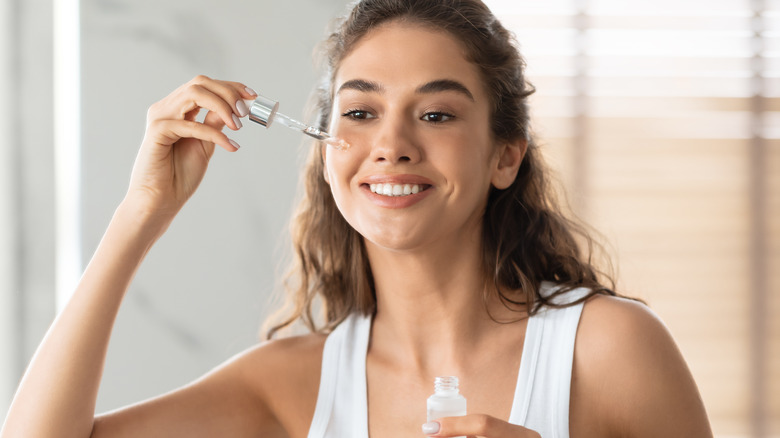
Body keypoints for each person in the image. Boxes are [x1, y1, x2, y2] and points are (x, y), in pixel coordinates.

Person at [1, 0, 713, 437]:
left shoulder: (609, 351)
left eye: (435, 114)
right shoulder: (290, 385)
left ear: (505, 157)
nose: (392, 147)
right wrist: (140, 213)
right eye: (361, 112)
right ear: (326, 153)